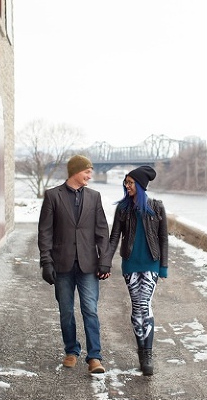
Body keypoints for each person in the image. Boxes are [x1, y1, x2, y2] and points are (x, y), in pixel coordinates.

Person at [38, 155, 112, 374]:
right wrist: (46, 262)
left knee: (90, 309)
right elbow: (45, 232)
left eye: (91, 171)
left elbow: (102, 231)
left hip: (89, 265)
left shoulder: (94, 197)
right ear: (75, 172)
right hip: (62, 265)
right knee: (66, 311)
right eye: (87, 171)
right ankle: (71, 351)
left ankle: (94, 357)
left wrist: (105, 262)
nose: (90, 175)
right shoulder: (53, 196)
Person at [108, 165, 168, 376]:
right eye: (126, 182)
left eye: (130, 182)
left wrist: (164, 267)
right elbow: (114, 237)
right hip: (131, 264)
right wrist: (106, 261)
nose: (127, 186)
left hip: (151, 262)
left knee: (144, 303)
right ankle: (142, 351)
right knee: (136, 306)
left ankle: (147, 354)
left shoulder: (157, 207)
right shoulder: (123, 209)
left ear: (141, 185)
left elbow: (163, 238)